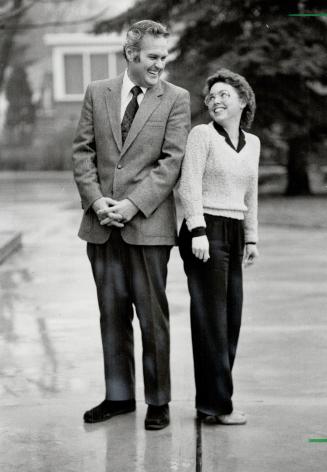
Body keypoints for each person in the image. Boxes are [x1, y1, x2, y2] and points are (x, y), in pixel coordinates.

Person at [72, 20, 190, 430]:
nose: (161, 63)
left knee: (152, 318)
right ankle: (119, 396)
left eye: (164, 56)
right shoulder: (96, 92)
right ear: (131, 55)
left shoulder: (176, 99)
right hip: (101, 225)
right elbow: (82, 152)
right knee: (112, 313)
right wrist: (96, 200)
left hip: (148, 227)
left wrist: (132, 205)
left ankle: (158, 400)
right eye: (154, 56)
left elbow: (171, 162)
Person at [178, 69, 260, 425]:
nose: (215, 101)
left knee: (231, 318)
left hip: (234, 229)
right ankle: (217, 406)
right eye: (210, 97)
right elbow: (188, 185)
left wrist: (252, 236)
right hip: (204, 229)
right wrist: (197, 230)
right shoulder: (202, 135)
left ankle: (213, 400)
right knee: (211, 320)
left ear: (243, 100)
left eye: (224, 94)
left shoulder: (252, 143)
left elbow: (251, 193)